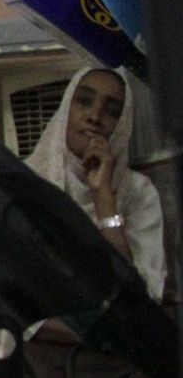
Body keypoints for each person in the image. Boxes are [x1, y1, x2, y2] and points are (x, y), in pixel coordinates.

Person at [24, 68, 168, 301]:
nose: (95, 116)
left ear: (122, 125)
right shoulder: (26, 181)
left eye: (112, 112)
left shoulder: (138, 191)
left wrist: (104, 196)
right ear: (66, 108)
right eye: (84, 101)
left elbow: (141, 296)